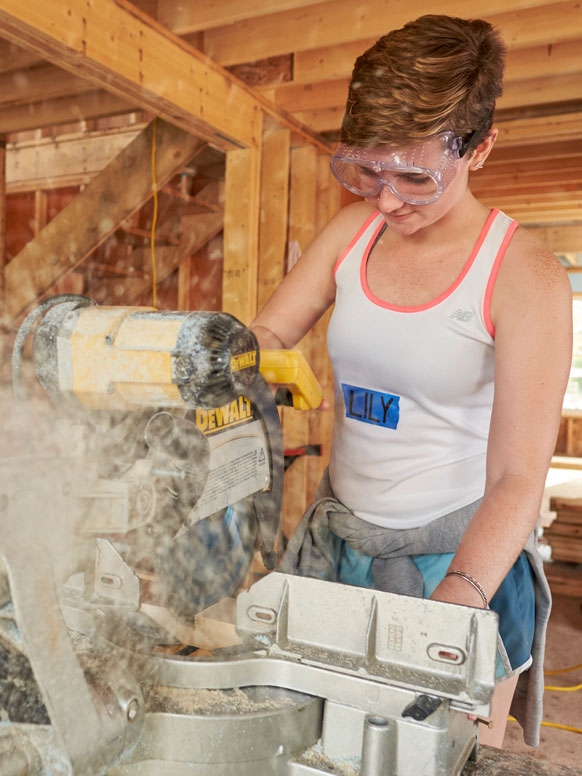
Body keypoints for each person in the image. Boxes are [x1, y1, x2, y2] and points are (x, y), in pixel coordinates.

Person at [250, 14, 572, 748]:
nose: (386, 201)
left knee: (442, 758)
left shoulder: (523, 276)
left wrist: (454, 603)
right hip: (344, 541)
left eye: (415, 177)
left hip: (460, 559)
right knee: (321, 749)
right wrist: (227, 365)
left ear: (480, 149)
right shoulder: (352, 233)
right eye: (365, 169)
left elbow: (521, 476)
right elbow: (266, 339)